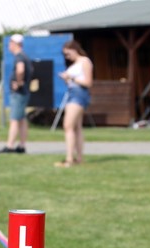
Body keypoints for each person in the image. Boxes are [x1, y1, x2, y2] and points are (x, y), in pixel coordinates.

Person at [55, 40, 93, 168]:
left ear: (74, 49)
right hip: (72, 93)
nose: (67, 57)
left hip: (79, 95)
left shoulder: (84, 61)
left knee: (68, 126)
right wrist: (66, 79)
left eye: (68, 53)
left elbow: (88, 82)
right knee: (77, 127)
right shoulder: (74, 64)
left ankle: (69, 159)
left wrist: (71, 78)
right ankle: (79, 158)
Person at [0, 34, 32, 154]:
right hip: (23, 92)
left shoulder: (19, 57)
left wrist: (19, 82)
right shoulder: (24, 56)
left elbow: (20, 70)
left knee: (14, 119)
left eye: (10, 43)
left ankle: (10, 145)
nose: (9, 46)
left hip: (18, 93)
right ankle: (21, 145)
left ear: (15, 44)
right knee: (21, 119)